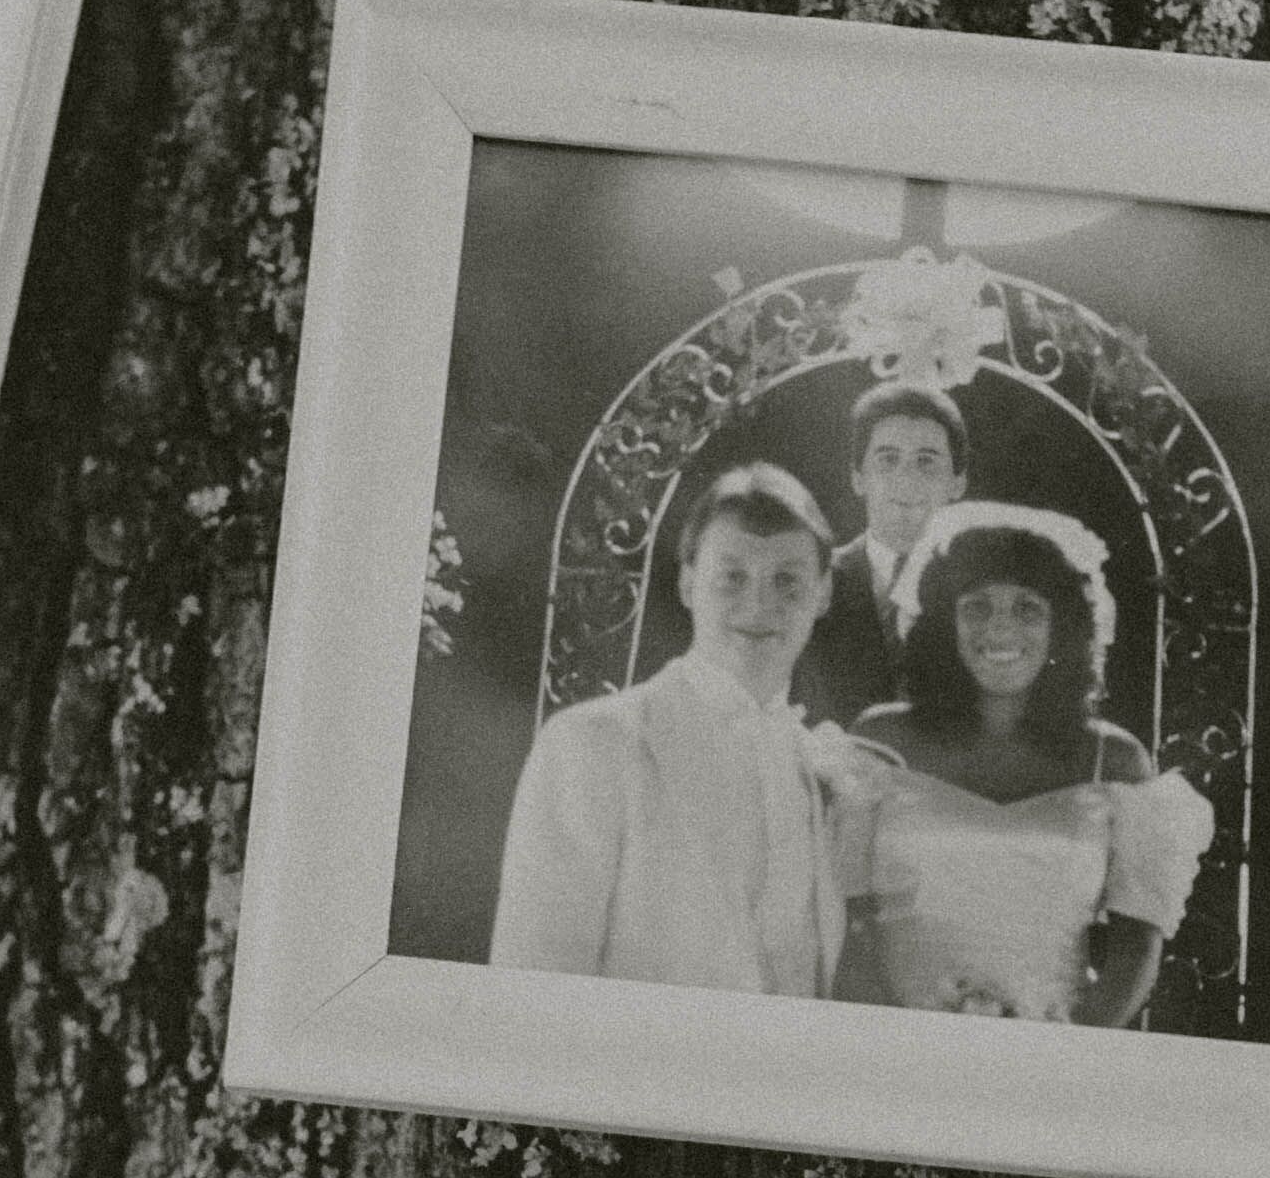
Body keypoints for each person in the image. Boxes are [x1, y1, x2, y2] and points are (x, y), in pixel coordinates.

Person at [489, 464, 863, 996]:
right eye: (732, 576)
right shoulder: (592, 744)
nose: (759, 605)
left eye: (788, 580)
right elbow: (532, 988)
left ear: (822, 593)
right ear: (688, 583)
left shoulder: (816, 763)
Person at [837, 506, 1214, 1025]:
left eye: (1027, 609)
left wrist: (1075, 1050)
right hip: (896, 1047)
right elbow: (846, 920)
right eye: (976, 607)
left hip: (1054, 1057)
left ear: (1063, 628)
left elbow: (1137, 942)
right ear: (945, 621)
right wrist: (892, 1037)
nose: (1000, 630)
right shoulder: (882, 742)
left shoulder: (1115, 762)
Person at [795, 380, 968, 730]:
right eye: (888, 460)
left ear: (957, 483)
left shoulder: (983, 589)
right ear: (858, 478)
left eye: (926, 462)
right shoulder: (811, 582)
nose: (906, 479)